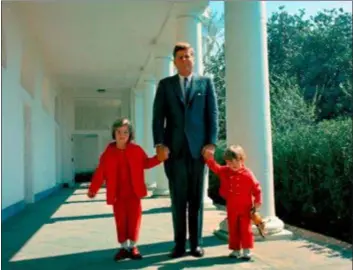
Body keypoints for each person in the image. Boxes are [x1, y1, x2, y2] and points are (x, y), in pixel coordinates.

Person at [152, 42, 219, 258]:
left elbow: (213, 115)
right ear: (174, 61)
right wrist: (160, 144)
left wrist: (211, 143)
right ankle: (179, 245)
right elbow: (157, 117)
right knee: (178, 200)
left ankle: (196, 245)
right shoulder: (165, 85)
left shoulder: (206, 83)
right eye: (180, 57)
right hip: (175, 152)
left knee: (196, 200)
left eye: (188, 56)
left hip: (198, 152)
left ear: (193, 58)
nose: (185, 60)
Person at [87, 118, 169, 261]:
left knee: (134, 220)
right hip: (117, 194)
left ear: (130, 134)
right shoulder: (108, 153)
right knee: (120, 221)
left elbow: (147, 163)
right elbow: (100, 172)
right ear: (114, 133)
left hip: (134, 193)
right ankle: (123, 247)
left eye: (125, 132)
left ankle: (133, 246)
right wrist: (93, 189)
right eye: (118, 132)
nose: (122, 135)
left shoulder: (136, 150)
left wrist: (159, 158)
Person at [203, 145, 262, 260]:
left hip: (246, 208)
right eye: (228, 163)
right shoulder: (225, 171)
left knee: (246, 230)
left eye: (234, 163)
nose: (231, 166)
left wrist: (258, 201)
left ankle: (246, 250)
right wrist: (209, 158)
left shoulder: (248, 174)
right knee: (233, 229)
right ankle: (236, 250)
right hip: (232, 207)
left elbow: (257, 188)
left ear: (241, 160)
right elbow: (215, 167)